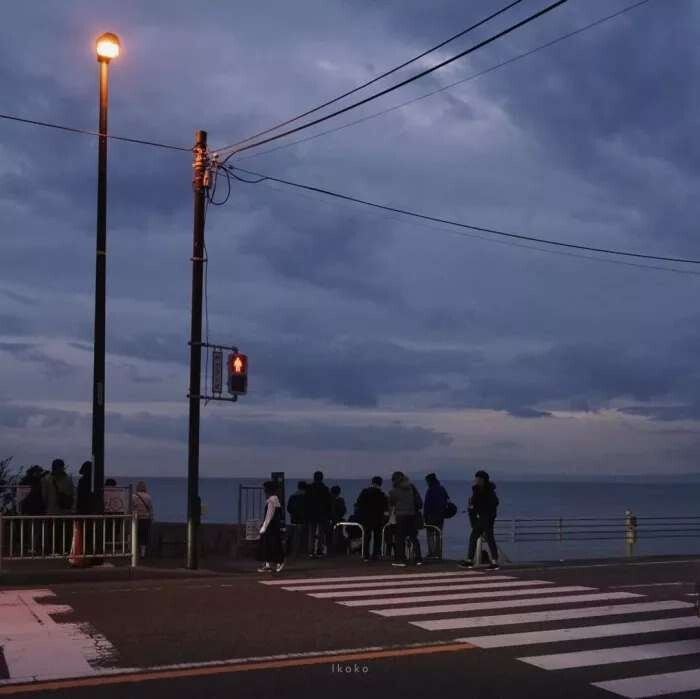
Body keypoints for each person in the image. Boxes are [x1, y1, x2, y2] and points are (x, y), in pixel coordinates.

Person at [460, 470, 500, 570]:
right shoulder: (476, 490)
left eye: (479, 479)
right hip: (481, 517)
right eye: (476, 478)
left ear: (483, 480)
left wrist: (484, 510)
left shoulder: (489, 491)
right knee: (475, 536)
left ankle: (494, 561)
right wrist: (472, 508)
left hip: (487, 517)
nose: (476, 480)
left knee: (488, 538)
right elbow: (474, 504)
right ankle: (470, 560)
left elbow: (494, 503)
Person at [388, 471, 422, 567]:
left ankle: (401, 559)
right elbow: (419, 502)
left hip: (401, 516)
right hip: (412, 515)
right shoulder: (412, 488)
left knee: (400, 538)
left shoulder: (393, 491)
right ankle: (418, 558)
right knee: (413, 537)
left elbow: (391, 503)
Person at [41, 459, 75, 555]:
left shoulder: (46, 479)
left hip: (51, 511)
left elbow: (44, 496)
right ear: (63, 467)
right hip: (66, 511)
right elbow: (72, 494)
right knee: (65, 532)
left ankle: (53, 551)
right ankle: (66, 550)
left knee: (52, 533)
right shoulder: (68, 479)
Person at [355, 476, 388, 562]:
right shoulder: (381, 494)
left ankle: (366, 554)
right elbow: (385, 507)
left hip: (366, 517)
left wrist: (359, 515)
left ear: (372, 482)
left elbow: (359, 503)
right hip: (377, 518)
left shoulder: (365, 492)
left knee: (366, 536)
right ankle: (375, 554)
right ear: (380, 484)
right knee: (377, 537)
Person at [258, 481, 285, 573]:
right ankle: (269, 564)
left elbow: (269, 515)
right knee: (272, 544)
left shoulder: (271, 500)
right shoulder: (276, 499)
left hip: (271, 527)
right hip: (274, 526)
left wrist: (264, 527)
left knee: (270, 545)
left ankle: (276, 563)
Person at [305, 471, 331, 557]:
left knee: (311, 533)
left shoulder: (309, 488)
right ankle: (319, 550)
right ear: (322, 478)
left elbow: (306, 501)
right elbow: (328, 502)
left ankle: (310, 551)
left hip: (311, 513)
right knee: (321, 533)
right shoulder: (325, 489)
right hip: (322, 513)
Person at [424, 473, 449, 559]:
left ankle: (432, 552)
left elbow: (427, 505)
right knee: (439, 534)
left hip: (431, 515)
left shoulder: (430, 490)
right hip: (441, 515)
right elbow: (447, 500)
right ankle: (438, 552)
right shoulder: (442, 489)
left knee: (430, 534)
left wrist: (425, 516)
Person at [131, 481, 153, 559]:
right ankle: (142, 553)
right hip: (146, 519)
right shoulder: (148, 497)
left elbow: (131, 507)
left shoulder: (134, 496)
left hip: (136, 519)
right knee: (144, 536)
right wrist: (152, 518)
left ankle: (134, 552)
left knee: (135, 535)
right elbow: (150, 509)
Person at [286, 481, 308, 557]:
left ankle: (294, 552)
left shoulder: (293, 496)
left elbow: (289, 508)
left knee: (295, 536)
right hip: (304, 519)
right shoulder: (306, 497)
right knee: (302, 536)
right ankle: (302, 551)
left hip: (294, 518)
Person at [328, 485, 347, 555]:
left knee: (329, 537)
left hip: (328, 521)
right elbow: (343, 511)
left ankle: (329, 551)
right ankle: (335, 551)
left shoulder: (328, 500)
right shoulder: (340, 501)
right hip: (337, 521)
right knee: (336, 536)